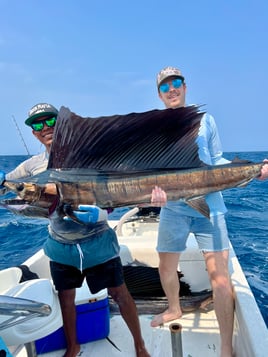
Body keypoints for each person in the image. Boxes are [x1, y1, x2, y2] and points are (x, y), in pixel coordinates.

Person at [0, 103, 150, 357]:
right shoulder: (30, 167)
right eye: (38, 124)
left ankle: (140, 345)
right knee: (65, 298)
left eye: (50, 121)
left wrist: (101, 213)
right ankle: (73, 346)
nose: (45, 127)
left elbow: (109, 195)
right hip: (61, 246)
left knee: (119, 293)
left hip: (98, 242)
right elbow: (8, 187)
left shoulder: (87, 158)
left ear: (61, 124)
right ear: (34, 132)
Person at [150, 66, 235, 357]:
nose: (171, 89)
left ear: (185, 86)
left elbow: (218, 158)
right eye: (164, 86)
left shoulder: (206, 120)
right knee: (165, 266)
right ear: (159, 94)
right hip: (173, 207)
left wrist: (250, 169)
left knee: (220, 277)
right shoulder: (156, 126)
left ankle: (225, 346)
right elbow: (153, 169)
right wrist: (154, 194)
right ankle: (174, 308)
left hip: (208, 203)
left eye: (176, 83)